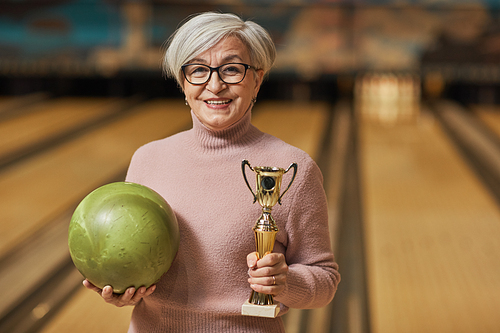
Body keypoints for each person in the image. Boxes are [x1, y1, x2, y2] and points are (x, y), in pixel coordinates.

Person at [84, 12, 340, 332]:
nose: (215, 85)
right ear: (183, 81)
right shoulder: (147, 159)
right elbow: (136, 263)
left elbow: (325, 280)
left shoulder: (292, 169)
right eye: (198, 71)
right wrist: (122, 290)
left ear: (257, 79)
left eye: (232, 69)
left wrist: (285, 281)